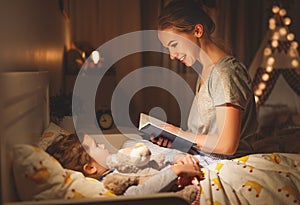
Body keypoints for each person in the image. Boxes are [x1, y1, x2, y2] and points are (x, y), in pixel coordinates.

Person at [151, 0, 258, 165]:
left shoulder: (226, 72)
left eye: (174, 44)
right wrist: (173, 139)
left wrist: (179, 134)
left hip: (221, 161)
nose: (172, 55)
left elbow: (227, 144)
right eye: (168, 48)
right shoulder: (206, 71)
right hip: (200, 155)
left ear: (198, 30)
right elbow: (201, 135)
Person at [46, 133, 203, 198]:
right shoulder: (112, 181)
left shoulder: (119, 163)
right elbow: (139, 193)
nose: (102, 144)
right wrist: (176, 170)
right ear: (90, 168)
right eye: (96, 146)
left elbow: (153, 160)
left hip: (180, 168)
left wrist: (176, 159)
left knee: (131, 141)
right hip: (185, 184)